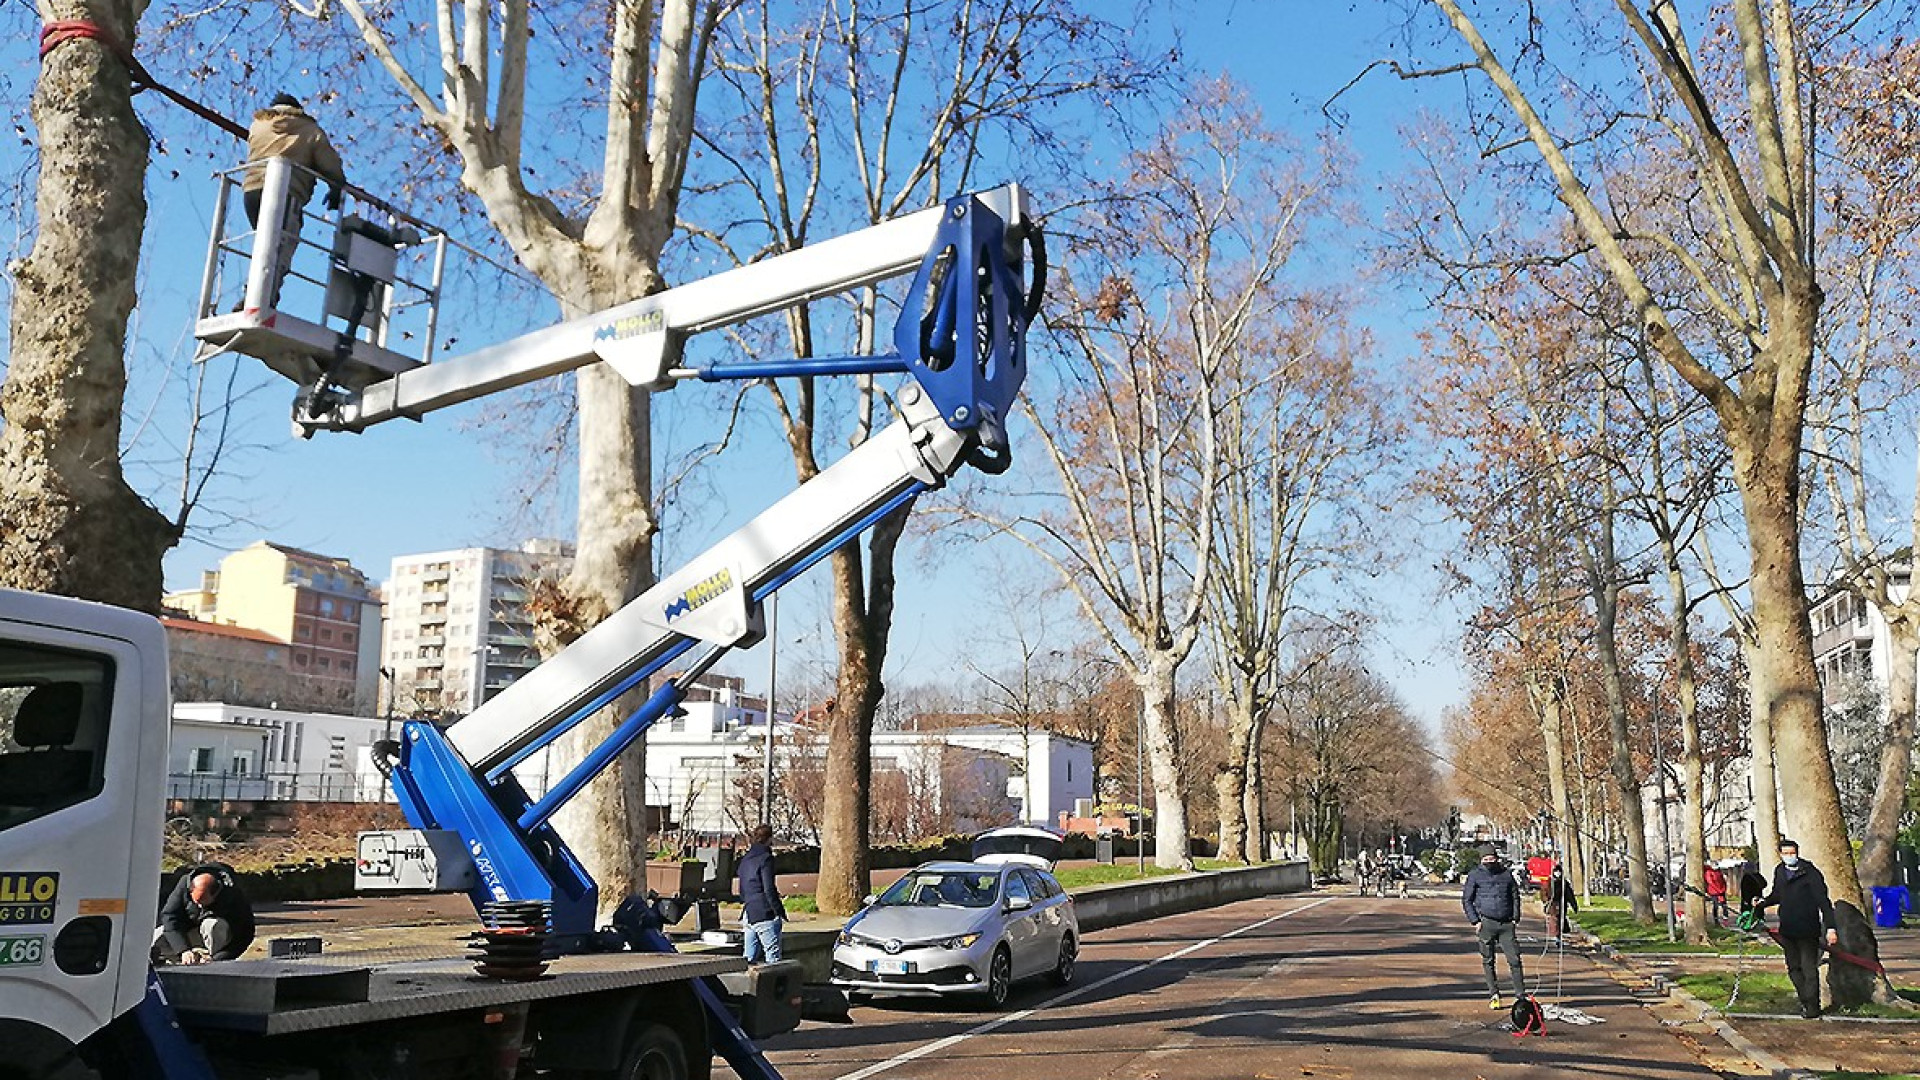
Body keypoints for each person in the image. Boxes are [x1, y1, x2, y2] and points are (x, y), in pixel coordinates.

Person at [241, 93, 346, 308]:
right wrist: (337, 187)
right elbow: (330, 165)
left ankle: (257, 294)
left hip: (252, 191)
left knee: (265, 245)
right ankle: (261, 298)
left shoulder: (258, 126)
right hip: (284, 192)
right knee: (282, 246)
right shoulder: (309, 131)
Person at [1751, 838, 1839, 1019]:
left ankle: (1813, 1006)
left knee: (1809, 968)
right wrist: (1763, 903)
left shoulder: (1810, 872)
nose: (1790, 856)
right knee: (1793, 968)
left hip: (1808, 927)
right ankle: (1805, 1000)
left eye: (1793, 853)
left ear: (1797, 853)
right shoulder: (1780, 871)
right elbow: (1777, 894)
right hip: (1788, 927)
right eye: (1786, 853)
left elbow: (1823, 901)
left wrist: (1831, 927)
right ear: (1781, 854)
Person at [1462, 847, 1526, 1009]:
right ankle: (1494, 994)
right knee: (1488, 960)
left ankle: (1520, 995)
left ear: (1497, 858)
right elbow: (1467, 900)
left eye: (1492, 858)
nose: (1490, 861)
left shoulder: (1506, 874)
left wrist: (1515, 918)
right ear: (1481, 860)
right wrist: (1475, 921)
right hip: (1486, 923)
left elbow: (1515, 896)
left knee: (1515, 960)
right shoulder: (1475, 875)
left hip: (1506, 924)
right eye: (1486, 859)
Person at [153, 862, 255, 964]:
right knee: (158, 935)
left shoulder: (234, 894)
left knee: (213, 925)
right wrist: (183, 950)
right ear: (190, 889)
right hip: (188, 932)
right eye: (196, 902)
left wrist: (219, 958)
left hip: (216, 938)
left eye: (203, 902)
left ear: (216, 893)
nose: (199, 906)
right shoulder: (184, 883)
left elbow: (246, 933)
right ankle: (176, 962)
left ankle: (208, 961)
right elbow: (169, 916)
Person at [735, 823, 784, 966]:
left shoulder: (746, 859)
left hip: (749, 912)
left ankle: (745, 986)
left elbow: (742, 889)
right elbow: (769, 888)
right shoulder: (766, 858)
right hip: (765, 912)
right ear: (770, 839)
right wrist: (778, 911)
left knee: (748, 957)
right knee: (772, 956)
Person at [1543, 867, 1578, 939]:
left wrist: (1574, 905)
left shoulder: (1564, 883)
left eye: (1559, 872)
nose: (1558, 873)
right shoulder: (1549, 882)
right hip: (1552, 904)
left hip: (1562, 904)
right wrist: (1546, 901)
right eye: (1556, 872)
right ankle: (1557, 935)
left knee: (1561, 919)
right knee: (1554, 919)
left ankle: (1561, 932)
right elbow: (1544, 893)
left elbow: (1569, 894)